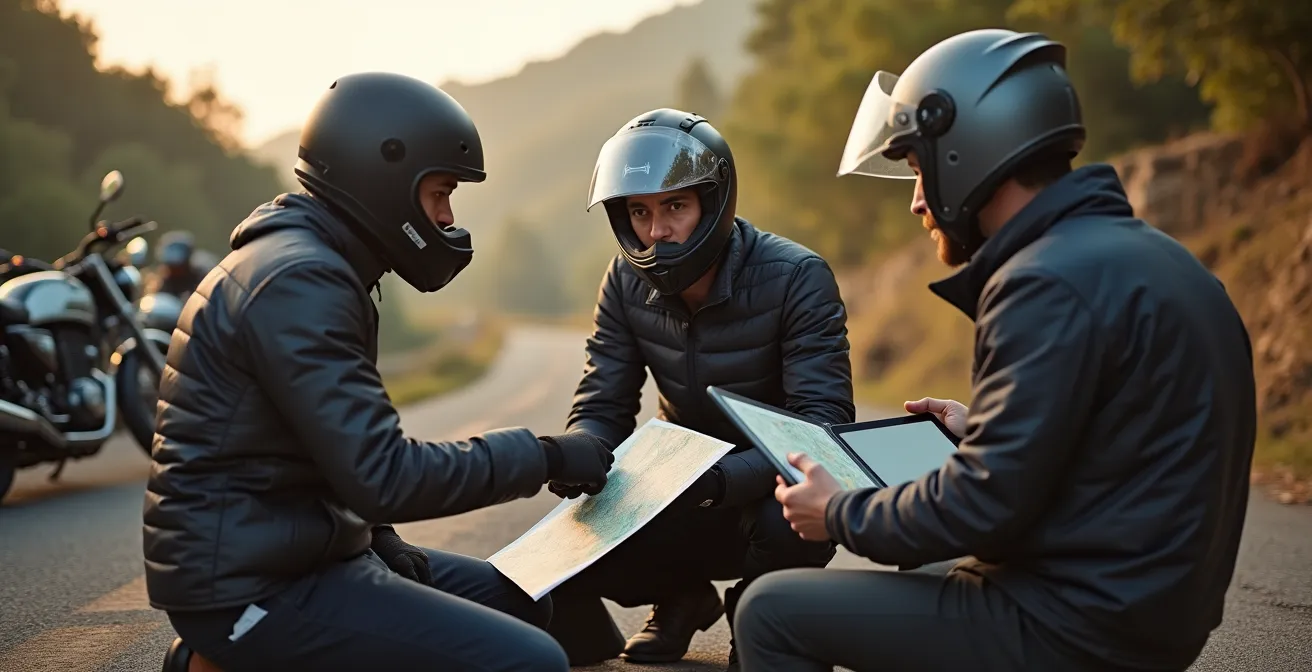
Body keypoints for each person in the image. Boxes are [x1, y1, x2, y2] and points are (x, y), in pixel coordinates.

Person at [734, 28, 1257, 672]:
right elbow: (1126, 444)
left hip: (1073, 626)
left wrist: (839, 511)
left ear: (965, 154)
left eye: (919, 168)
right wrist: (980, 431)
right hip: (1150, 613)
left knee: (770, 610)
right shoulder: (1159, 261)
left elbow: (981, 507)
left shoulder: (1044, 280)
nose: (917, 200)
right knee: (918, 553)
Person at [145, 72, 616, 672]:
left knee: (522, 603)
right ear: (385, 179)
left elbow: (331, 446)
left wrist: (377, 534)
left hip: (307, 549)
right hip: (249, 586)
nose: (447, 216)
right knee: (531, 663)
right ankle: (213, 658)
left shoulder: (319, 265)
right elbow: (384, 474)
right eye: (439, 193)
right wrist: (546, 455)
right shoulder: (302, 283)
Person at [543, 108, 854, 671]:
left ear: (713, 204)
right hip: (682, 480)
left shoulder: (797, 276)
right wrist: (579, 452)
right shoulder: (623, 280)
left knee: (789, 519)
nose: (656, 231)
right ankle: (683, 597)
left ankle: (759, 620)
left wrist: (719, 481)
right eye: (639, 211)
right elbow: (604, 400)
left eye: (675, 207)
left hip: (762, 486)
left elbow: (823, 426)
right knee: (568, 545)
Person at [147, 230, 207, 299]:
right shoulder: (158, 282)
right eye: (171, 266)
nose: (175, 270)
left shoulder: (200, 280)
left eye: (179, 266)